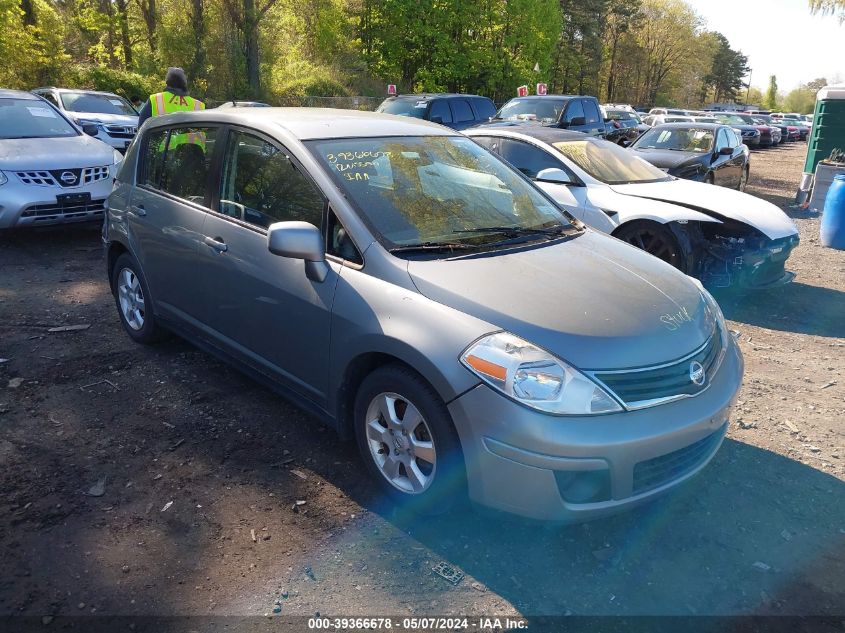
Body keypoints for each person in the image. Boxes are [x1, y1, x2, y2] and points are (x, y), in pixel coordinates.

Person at [137, 67, 204, 126]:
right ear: (184, 83)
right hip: (191, 141)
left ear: (167, 82)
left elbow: (141, 127)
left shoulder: (155, 99)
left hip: (164, 141)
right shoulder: (198, 105)